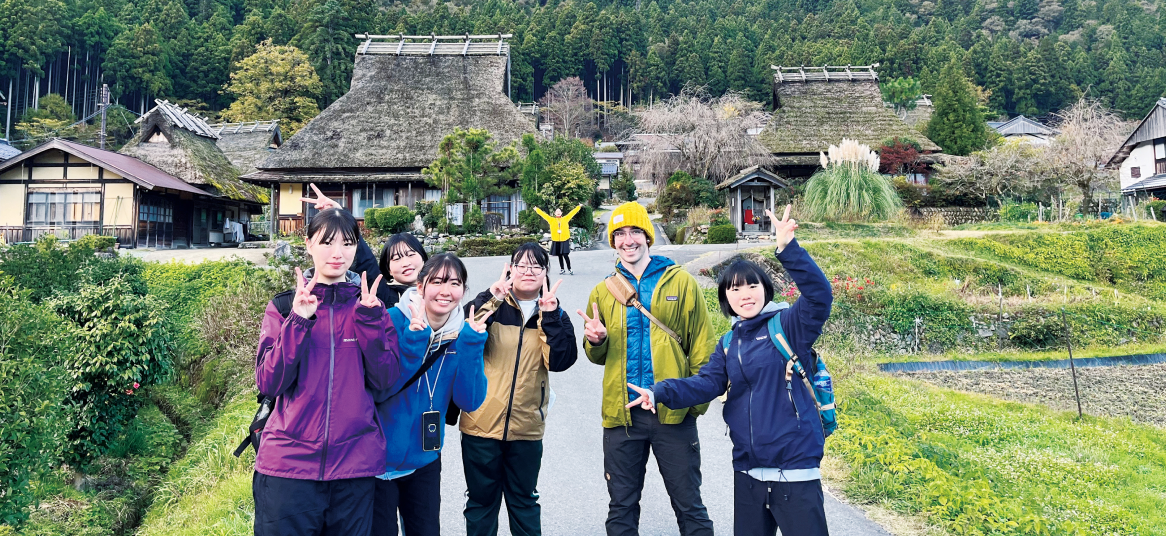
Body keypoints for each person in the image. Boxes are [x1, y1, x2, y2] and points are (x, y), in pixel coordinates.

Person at [626, 206, 834, 536]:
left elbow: (821, 297)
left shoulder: (790, 326)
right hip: (749, 471)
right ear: (725, 298)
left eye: (751, 286)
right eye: (734, 289)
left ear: (766, 289)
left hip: (794, 469)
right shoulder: (729, 342)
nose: (744, 294)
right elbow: (705, 384)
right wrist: (658, 391)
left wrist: (787, 249)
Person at [252, 208, 405, 536]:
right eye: (327, 242)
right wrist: (299, 321)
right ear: (308, 244)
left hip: (353, 469)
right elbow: (270, 381)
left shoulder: (371, 309)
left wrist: (370, 321)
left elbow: (386, 381)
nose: (338, 253)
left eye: (348, 244)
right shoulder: (283, 307)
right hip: (288, 467)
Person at [575, 201, 716, 536]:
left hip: (672, 412)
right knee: (621, 508)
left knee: (689, 506)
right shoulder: (603, 291)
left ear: (647, 236)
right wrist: (596, 340)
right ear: (613, 241)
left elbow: (704, 348)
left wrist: (692, 405)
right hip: (622, 415)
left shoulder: (681, 283)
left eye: (635, 231)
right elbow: (597, 356)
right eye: (620, 234)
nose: (628, 240)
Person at [459, 243, 579, 536]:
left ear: (545, 274)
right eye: (521, 265)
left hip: (527, 427)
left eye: (536, 266)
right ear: (510, 269)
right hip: (479, 425)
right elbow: (463, 336)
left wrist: (549, 316)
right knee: (480, 502)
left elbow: (560, 361)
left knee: (524, 501)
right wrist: (491, 297)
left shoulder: (554, 314)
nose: (528, 272)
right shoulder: (491, 305)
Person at [371, 253, 492, 536]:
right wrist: (414, 340)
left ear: (463, 290)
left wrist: (472, 346)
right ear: (421, 286)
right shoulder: (390, 321)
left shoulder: (465, 332)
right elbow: (380, 387)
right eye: (437, 281)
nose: (446, 291)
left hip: (424, 459)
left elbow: (470, 401)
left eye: (455, 283)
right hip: (375, 461)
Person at [299, 184, 427, 308]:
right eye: (396, 258)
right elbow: (367, 264)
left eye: (411, 254)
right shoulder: (384, 296)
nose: (406, 263)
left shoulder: (440, 291)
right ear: (388, 270)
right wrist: (341, 216)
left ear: (423, 257)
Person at [534, 204, 582, 275]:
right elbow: (544, 215)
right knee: (559, 255)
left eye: (559, 211)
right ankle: (562, 269)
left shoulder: (565, 218)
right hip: (556, 240)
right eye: (557, 211)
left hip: (564, 239)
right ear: (555, 213)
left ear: (561, 213)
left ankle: (569, 268)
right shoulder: (551, 220)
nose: (558, 212)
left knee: (565, 254)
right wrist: (537, 210)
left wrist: (579, 207)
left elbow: (572, 212)